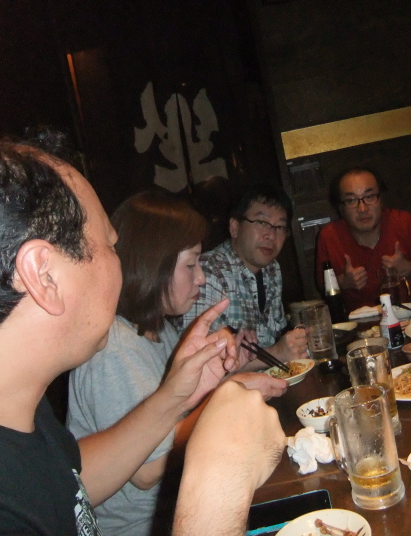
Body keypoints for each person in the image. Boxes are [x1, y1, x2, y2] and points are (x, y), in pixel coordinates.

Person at [0, 137, 284, 534]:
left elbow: (70, 486)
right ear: (44, 275)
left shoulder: (14, 410)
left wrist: (174, 397)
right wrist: (218, 468)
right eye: (111, 247)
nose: (122, 264)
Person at [66, 189, 287, 535]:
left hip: (181, 506)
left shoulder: (160, 331)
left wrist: (222, 377)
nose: (201, 277)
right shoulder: (115, 347)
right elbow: (148, 469)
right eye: (191, 265)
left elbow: (178, 415)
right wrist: (226, 394)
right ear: (154, 264)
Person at [181, 182, 308, 367]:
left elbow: (276, 334)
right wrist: (276, 353)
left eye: (280, 227)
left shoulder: (272, 269)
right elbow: (198, 364)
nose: (271, 235)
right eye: (262, 222)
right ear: (234, 227)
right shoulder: (207, 273)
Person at [316, 167, 411, 312]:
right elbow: (322, 287)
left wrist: (409, 268)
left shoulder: (402, 221)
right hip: (361, 321)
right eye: (351, 200)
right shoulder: (329, 236)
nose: (362, 209)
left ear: (381, 199)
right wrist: (342, 282)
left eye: (369, 197)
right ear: (340, 207)